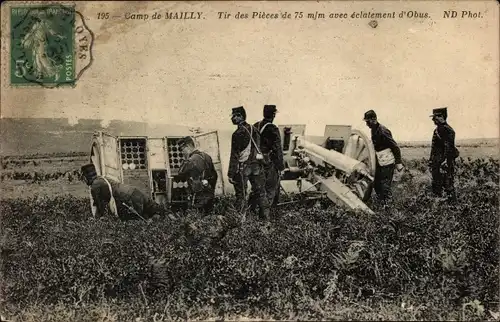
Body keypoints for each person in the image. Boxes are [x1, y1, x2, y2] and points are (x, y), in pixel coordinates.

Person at [227, 106, 270, 220]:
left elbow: (234, 155)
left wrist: (231, 173)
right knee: (261, 193)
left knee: (241, 195)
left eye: (234, 116)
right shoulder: (254, 129)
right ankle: (265, 220)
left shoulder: (237, 134)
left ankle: (240, 221)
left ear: (241, 116)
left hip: (243, 168)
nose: (232, 118)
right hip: (256, 166)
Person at [81, 163, 160, 220]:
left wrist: (98, 218)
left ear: (86, 177)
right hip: (134, 192)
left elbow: (100, 203)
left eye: (83, 177)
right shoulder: (101, 179)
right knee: (153, 210)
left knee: (137, 222)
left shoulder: (96, 185)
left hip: (129, 198)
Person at [363, 110, 404, 205]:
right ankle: (382, 204)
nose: (367, 124)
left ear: (374, 119)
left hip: (387, 163)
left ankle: (389, 208)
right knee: (377, 184)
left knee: (385, 186)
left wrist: (398, 162)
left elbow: (395, 147)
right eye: (366, 122)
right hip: (379, 162)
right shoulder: (373, 129)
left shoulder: (383, 131)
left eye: (368, 121)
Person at [251, 104, 285, 210]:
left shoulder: (255, 126)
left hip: (254, 163)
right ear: (273, 115)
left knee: (257, 189)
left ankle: (251, 212)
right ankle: (266, 216)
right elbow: (277, 150)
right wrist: (281, 167)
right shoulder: (273, 128)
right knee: (271, 189)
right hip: (268, 164)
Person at [177, 136, 218, 215]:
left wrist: (185, 159)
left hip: (198, 196)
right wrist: (211, 188)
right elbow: (215, 175)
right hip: (209, 192)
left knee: (197, 219)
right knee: (209, 217)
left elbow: (180, 173)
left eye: (182, 149)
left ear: (188, 146)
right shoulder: (207, 156)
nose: (182, 152)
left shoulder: (191, 160)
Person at [429, 107, 459, 202]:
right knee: (436, 184)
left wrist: (446, 161)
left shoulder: (448, 130)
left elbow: (449, 146)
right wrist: (431, 160)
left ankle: (452, 207)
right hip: (437, 162)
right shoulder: (437, 130)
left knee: (448, 184)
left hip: (445, 162)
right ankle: (438, 206)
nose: (433, 119)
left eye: (435, 117)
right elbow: (434, 148)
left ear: (442, 117)